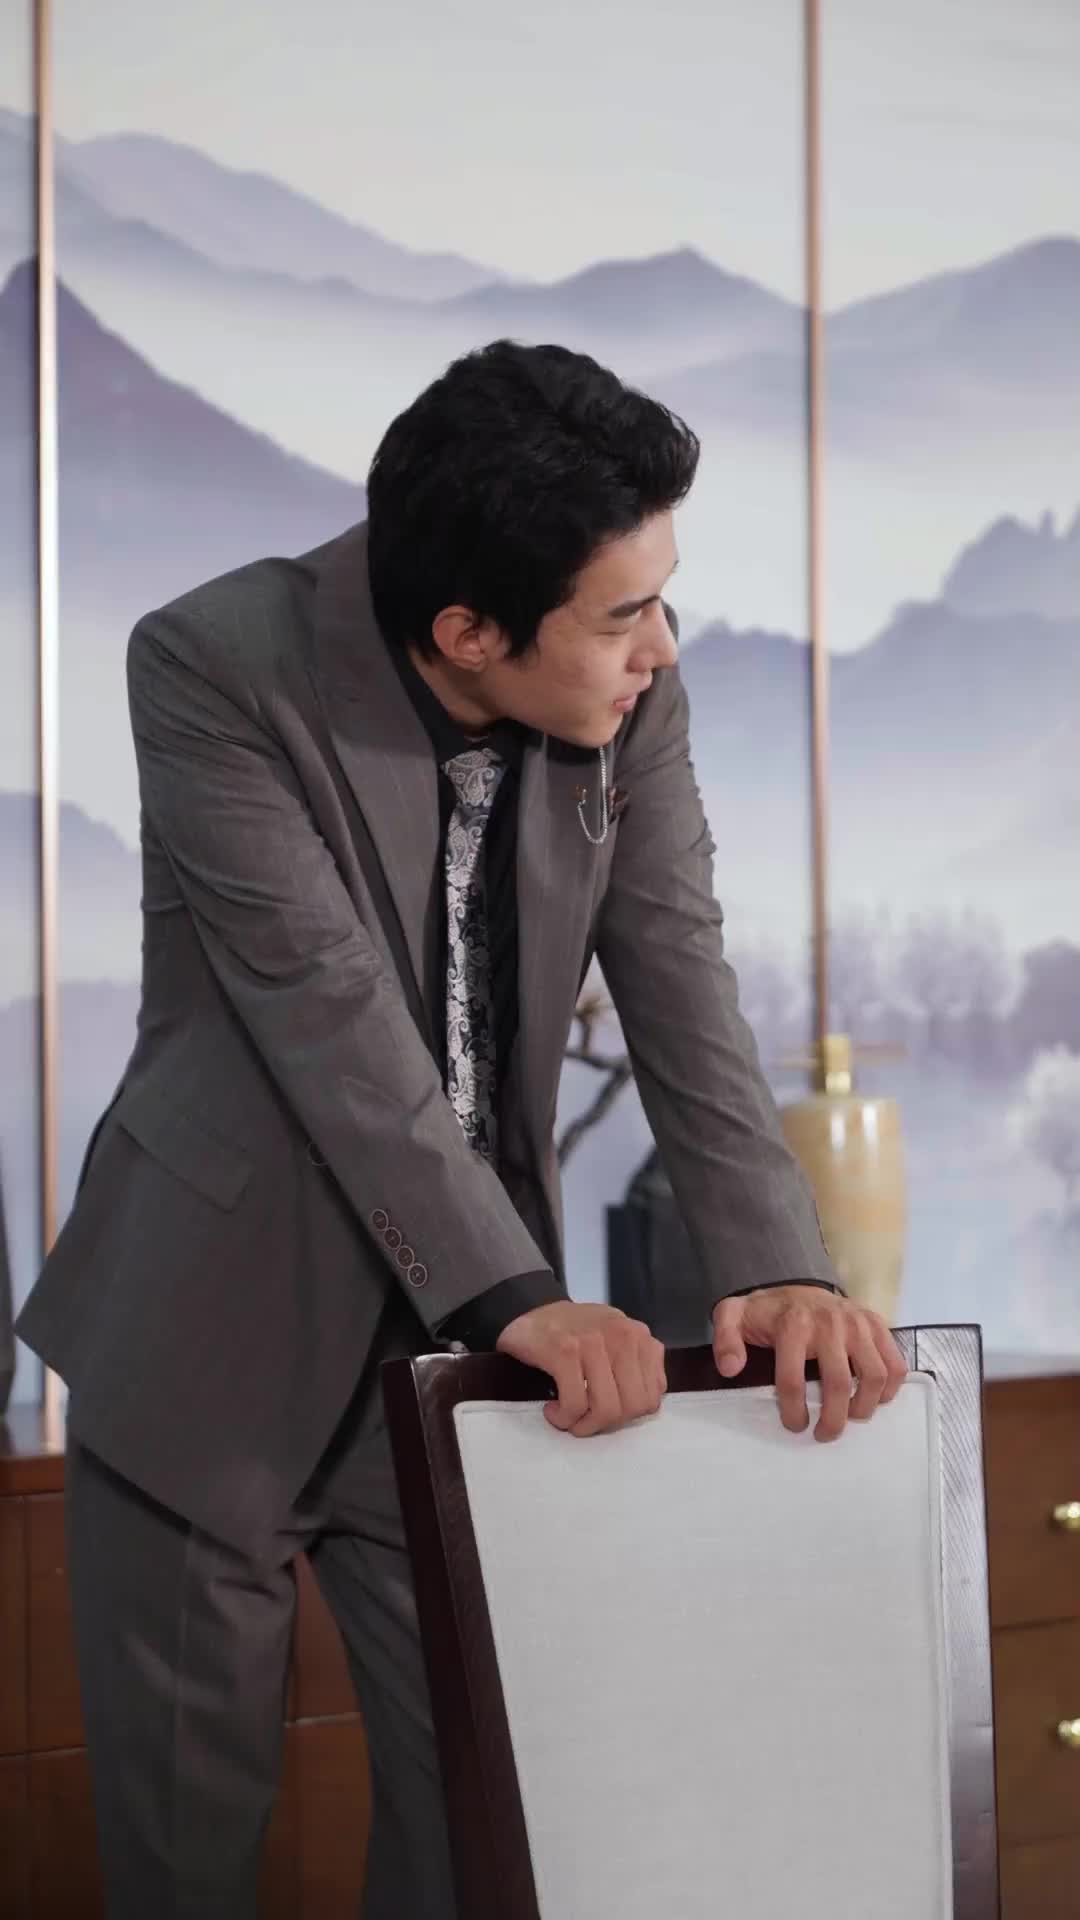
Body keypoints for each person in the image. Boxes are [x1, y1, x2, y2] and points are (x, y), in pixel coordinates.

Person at [17, 339, 906, 1917]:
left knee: (488, 1838)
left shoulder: (630, 690)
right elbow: (328, 1018)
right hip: (209, 1329)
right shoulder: (217, 665)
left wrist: (780, 1261)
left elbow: (679, 969)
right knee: (187, 1862)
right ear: (468, 632)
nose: (663, 646)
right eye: (623, 614)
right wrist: (520, 1298)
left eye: (664, 597)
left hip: (458, 1345)